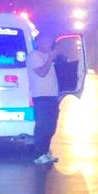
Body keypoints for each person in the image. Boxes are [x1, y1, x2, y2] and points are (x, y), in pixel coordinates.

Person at [26, 33, 60, 165]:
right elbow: (42, 73)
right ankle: (39, 154)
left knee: (51, 126)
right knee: (42, 126)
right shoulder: (34, 56)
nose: (49, 45)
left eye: (50, 42)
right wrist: (51, 57)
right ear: (39, 42)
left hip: (51, 96)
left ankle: (45, 151)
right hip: (41, 96)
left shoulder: (46, 56)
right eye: (46, 41)